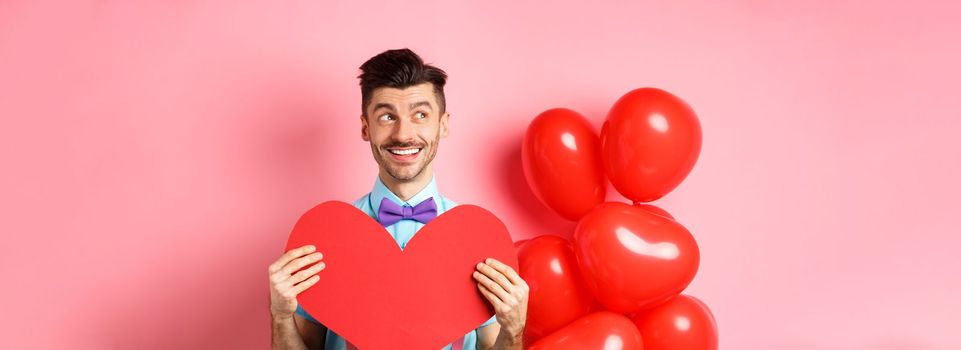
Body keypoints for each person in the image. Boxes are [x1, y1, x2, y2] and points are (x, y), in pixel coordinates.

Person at [268, 48, 529, 350]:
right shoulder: (325, 237)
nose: (403, 133)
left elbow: (491, 345)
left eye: (420, 115)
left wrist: (514, 330)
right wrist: (280, 316)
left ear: (443, 124)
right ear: (366, 127)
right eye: (387, 116)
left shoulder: (477, 237)